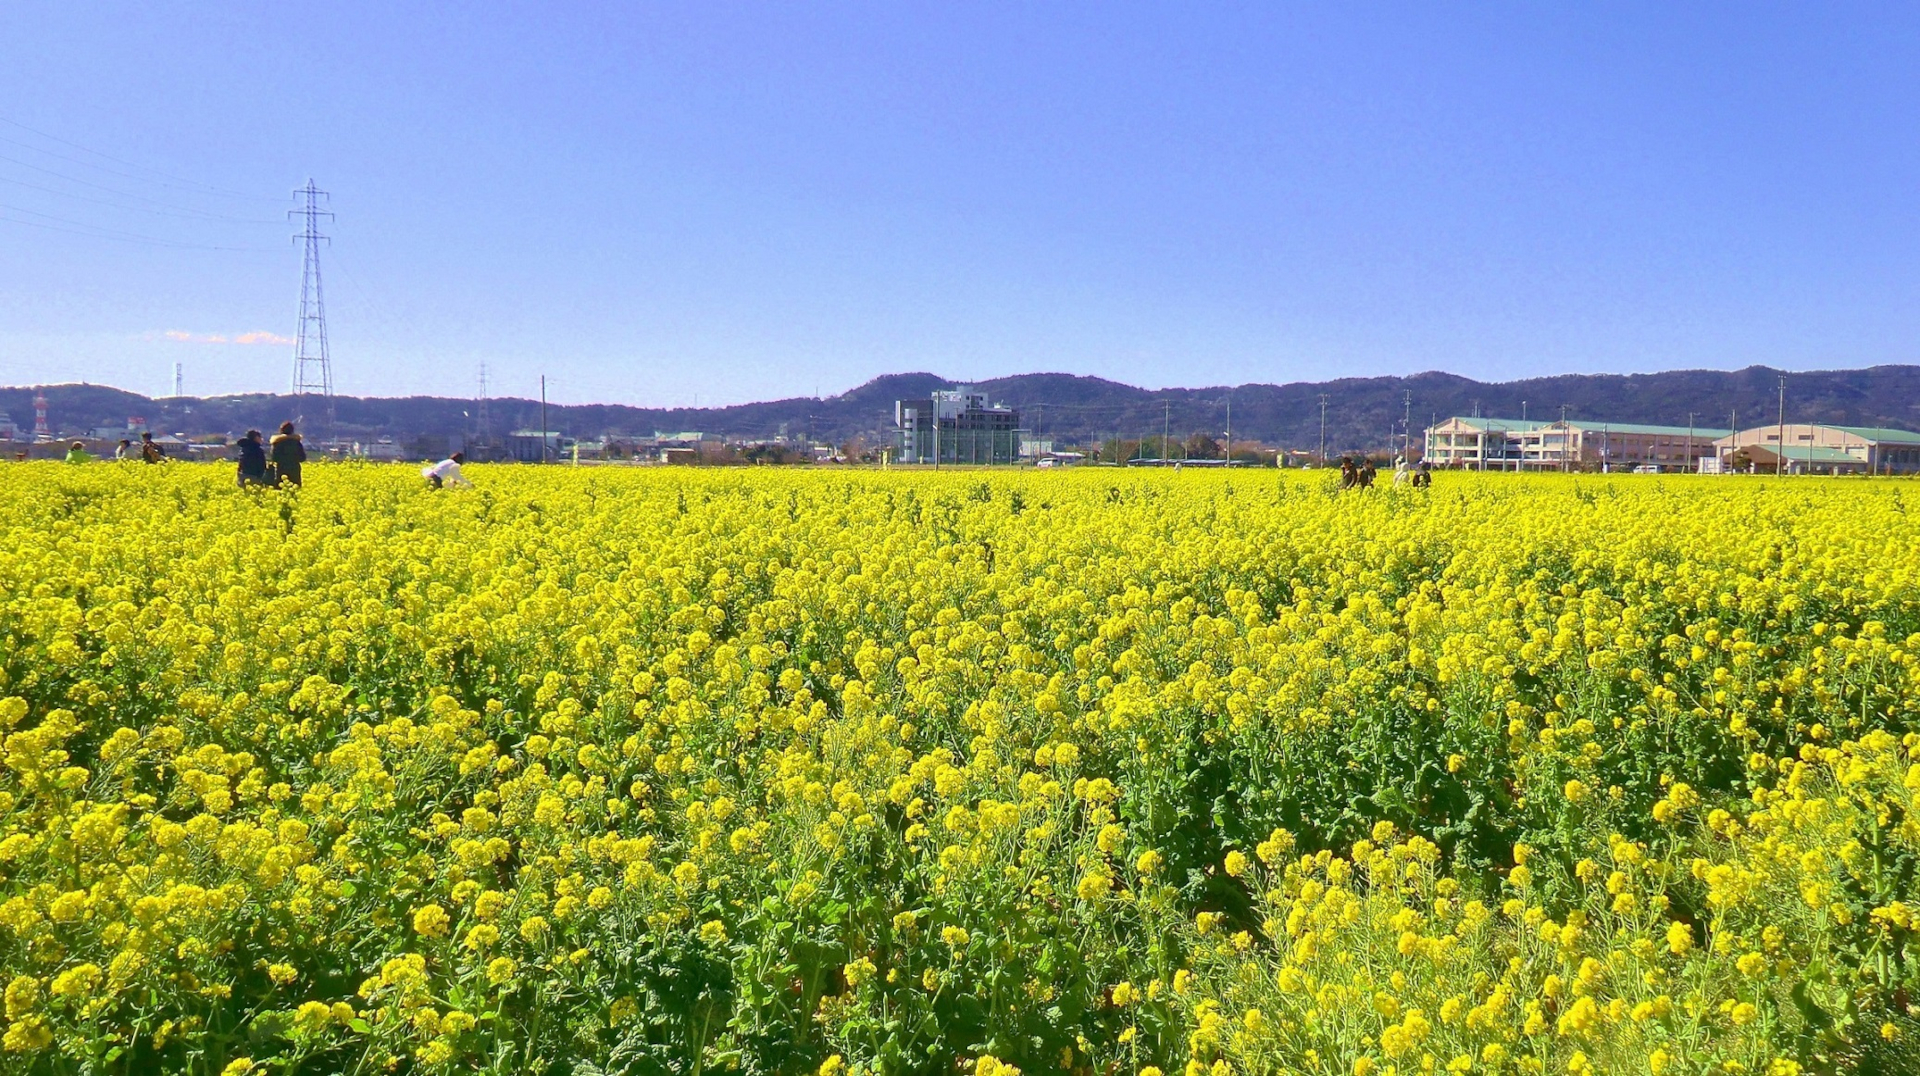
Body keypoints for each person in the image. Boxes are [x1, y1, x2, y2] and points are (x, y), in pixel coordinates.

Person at [270, 422, 306, 487]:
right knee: (294, 491)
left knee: (280, 491)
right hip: (294, 470)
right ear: (292, 430)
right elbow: (302, 458)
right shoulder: (296, 442)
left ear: (281, 431)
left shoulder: (277, 442)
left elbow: (274, 458)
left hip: (281, 470)